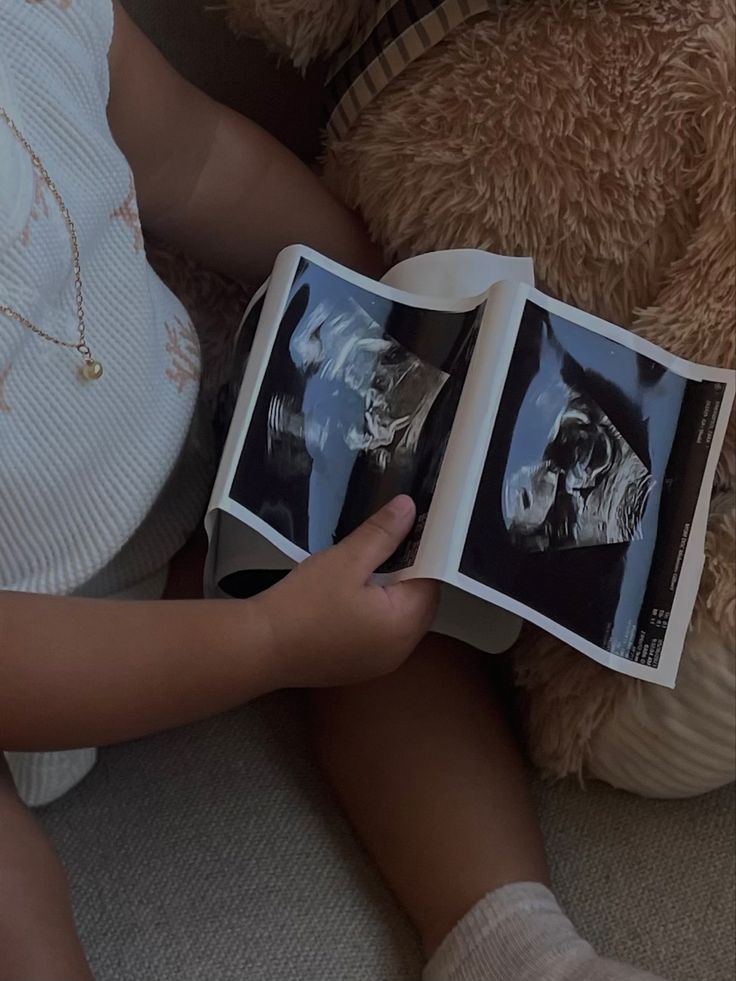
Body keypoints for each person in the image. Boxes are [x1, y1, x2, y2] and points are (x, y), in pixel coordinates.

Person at [0, 3, 663, 978]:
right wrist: (262, 645)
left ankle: (514, 948)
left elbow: (200, 164)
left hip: (180, 500)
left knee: (391, 579)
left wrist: (386, 299)